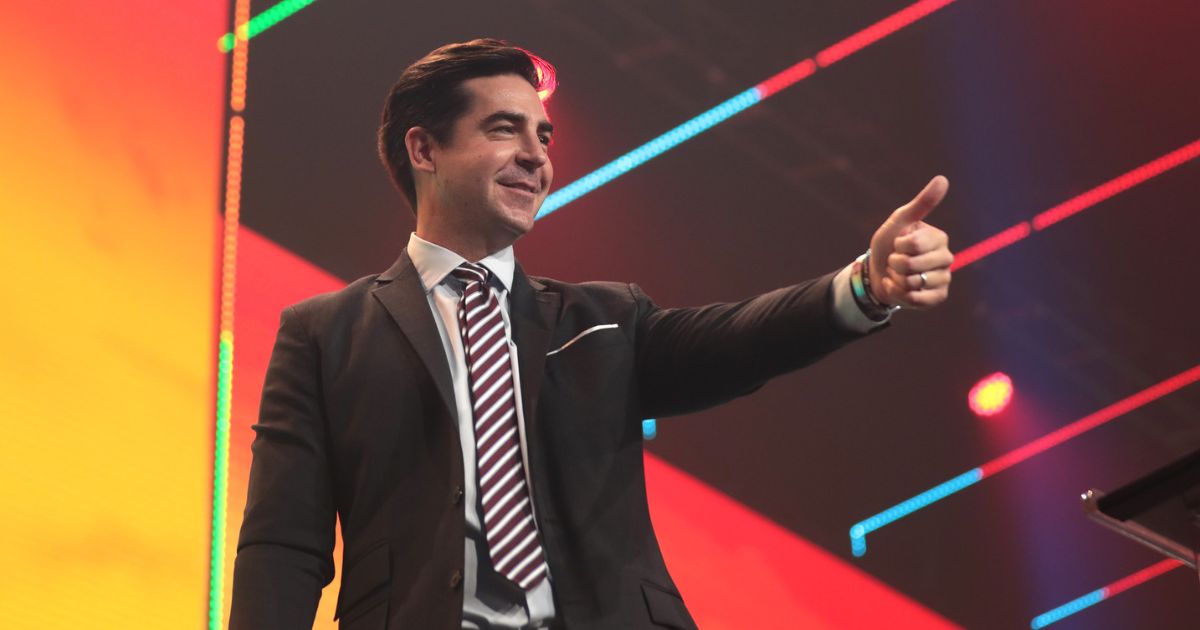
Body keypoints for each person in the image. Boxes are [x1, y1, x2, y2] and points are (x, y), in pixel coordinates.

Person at [228, 38, 954, 630]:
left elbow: (737, 340)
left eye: (543, 135)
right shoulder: (324, 335)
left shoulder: (605, 318)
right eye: (503, 128)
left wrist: (863, 286)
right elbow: (282, 548)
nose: (537, 155)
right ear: (424, 149)